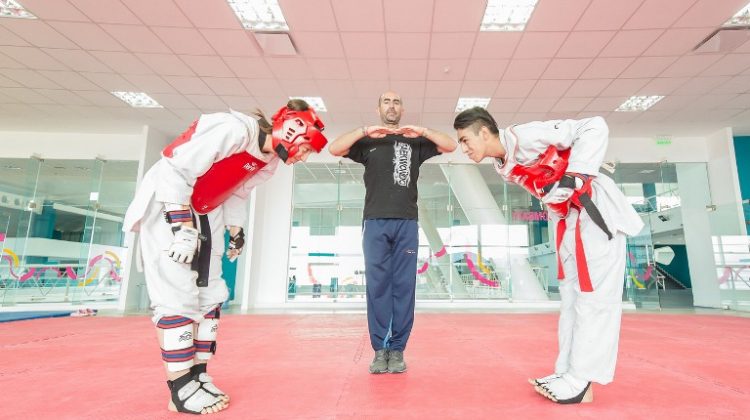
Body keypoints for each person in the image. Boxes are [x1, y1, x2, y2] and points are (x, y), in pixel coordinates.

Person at [123, 100, 327, 414]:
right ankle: (179, 388)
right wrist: (181, 226)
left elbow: (237, 191)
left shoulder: (268, 161)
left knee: (211, 293)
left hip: (208, 209)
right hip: (170, 202)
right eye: (306, 147)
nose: (303, 155)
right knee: (176, 293)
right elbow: (175, 168)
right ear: (293, 126)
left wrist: (237, 228)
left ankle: (198, 376)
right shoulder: (234, 129)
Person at [452, 108, 643, 404]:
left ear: (485, 132)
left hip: (594, 212)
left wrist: (575, 176)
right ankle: (567, 371)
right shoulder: (502, 164)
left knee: (593, 300)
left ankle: (582, 380)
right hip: (568, 220)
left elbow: (594, 125)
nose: (463, 148)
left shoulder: (525, 136)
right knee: (571, 298)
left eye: (465, 140)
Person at [329, 91, 457, 374]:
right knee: (378, 287)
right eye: (386, 101)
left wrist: (422, 130)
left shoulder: (415, 141)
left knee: (404, 286)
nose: (391, 105)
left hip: (406, 222)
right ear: (378, 109)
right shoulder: (367, 142)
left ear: (402, 108)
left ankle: (397, 349)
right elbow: (334, 149)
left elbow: (451, 146)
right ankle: (379, 350)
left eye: (396, 101)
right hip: (374, 221)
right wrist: (364, 131)